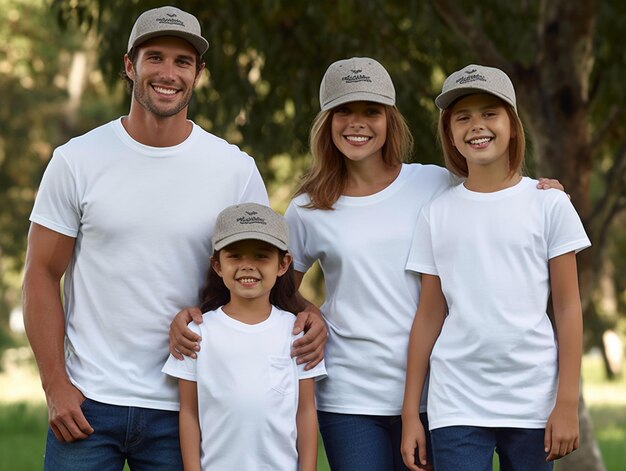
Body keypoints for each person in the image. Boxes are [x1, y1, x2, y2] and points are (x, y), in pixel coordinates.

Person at [170, 57, 563, 470]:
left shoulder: (434, 183)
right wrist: (308, 314)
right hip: (349, 398)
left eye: (371, 111)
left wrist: (541, 189)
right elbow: (276, 285)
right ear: (327, 121)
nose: (357, 123)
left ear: (390, 119)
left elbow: (496, 192)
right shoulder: (308, 208)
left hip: (438, 394)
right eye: (344, 111)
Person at [22, 6, 274, 469]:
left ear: (199, 73)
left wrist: (308, 314)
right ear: (129, 65)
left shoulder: (234, 169)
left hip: (187, 403)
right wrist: (55, 385)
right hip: (88, 404)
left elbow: (258, 274)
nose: (168, 73)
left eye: (183, 62)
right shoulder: (76, 160)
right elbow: (40, 272)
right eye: (154, 57)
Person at [400, 64, 590, 471]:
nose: (477, 126)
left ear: (513, 126)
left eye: (490, 113)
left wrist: (567, 401)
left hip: (533, 401)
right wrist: (410, 413)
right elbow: (429, 314)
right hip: (456, 403)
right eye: (462, 117)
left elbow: (569, 307)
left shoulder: (549, 205)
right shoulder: (436, 214)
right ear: (450, 132)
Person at [162, 203, 327, 470]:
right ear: (217, 265)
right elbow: (189, 413)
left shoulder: (296, 333)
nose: (247, 266)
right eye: (235, 256)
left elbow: (306, 412)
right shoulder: (197, 333)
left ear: (283, 264)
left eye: (261, 256)